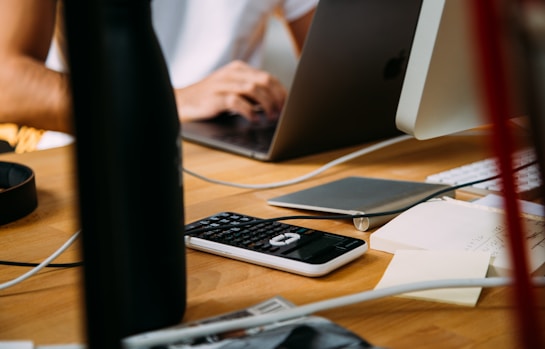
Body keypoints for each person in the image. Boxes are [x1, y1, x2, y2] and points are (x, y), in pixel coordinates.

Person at [0, 0, 317, 151]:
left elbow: (340, 64)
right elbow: (7, 82)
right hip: (99, 155)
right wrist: (167, 103)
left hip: (232, 150)